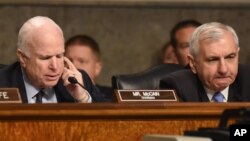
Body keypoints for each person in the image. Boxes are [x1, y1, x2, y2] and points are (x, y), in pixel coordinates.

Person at [0, 16, 105, 103]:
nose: (55, 66)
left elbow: (109, 118)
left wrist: (83, 98)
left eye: (59, 56)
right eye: (45, 58)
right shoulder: (3, 82)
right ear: (23, 57)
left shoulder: (78, 80)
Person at [160, 22, 250, 102]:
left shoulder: (247, 80)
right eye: (212, 60)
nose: (223, 69)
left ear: (238, 56)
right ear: (193, 63)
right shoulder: (176, 85)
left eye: (230, 57)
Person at [65, 34, 113, 102]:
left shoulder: (113, 97)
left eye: (82, 61)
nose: (74, 66)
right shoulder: (55, 95)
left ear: (97, 68)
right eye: (69, 60)